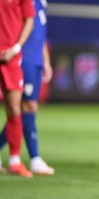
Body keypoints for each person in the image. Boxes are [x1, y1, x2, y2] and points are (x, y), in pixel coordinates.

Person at [0, 0, 54, 175]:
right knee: (24, 107)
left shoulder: (41, 3)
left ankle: (29, 158)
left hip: (31, 57)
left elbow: (39, 30)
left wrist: (45, 59)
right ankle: (34, 157)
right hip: (24, 57)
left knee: (21, 108)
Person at [0, 0, 35, 177]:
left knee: (14, 108)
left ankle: (14, 160)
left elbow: (29, 19)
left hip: (11, 57)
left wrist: (15, 47)